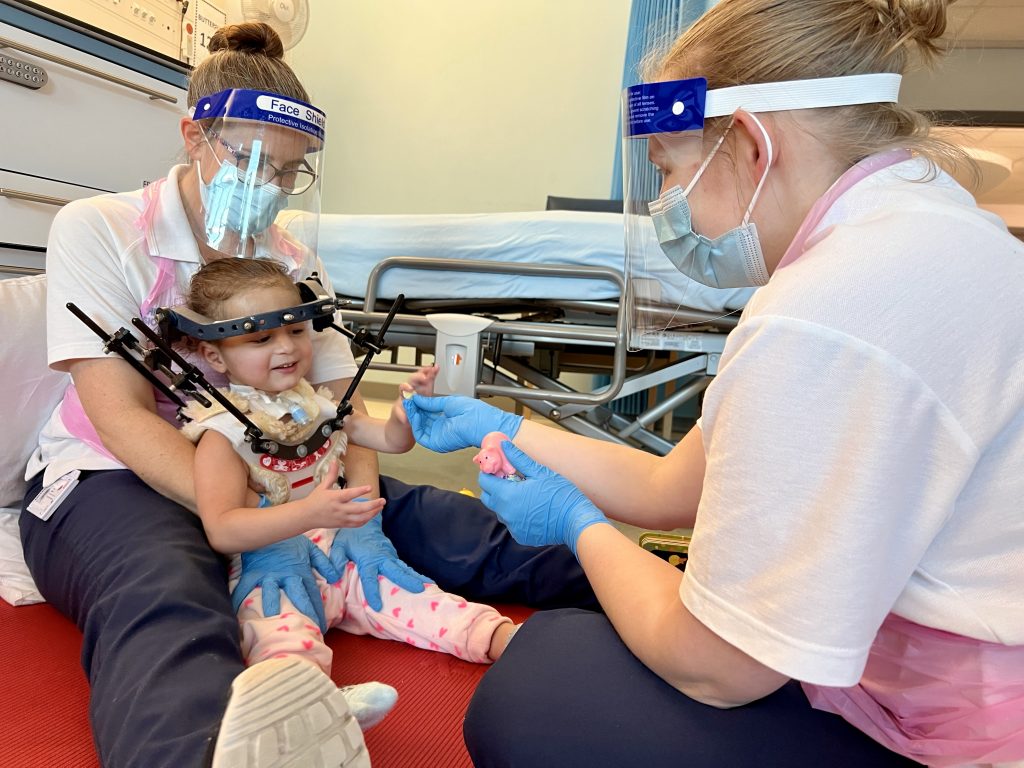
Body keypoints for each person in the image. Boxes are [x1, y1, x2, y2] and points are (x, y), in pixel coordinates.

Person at [404, 1, 1024, 766]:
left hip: (956, 737)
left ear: (754, 145)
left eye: (668, 169)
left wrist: (574, 521)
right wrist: (493, 420)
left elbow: (718, 669)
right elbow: (674, 487)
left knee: (541, 684)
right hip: (928, 672)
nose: (671, 209)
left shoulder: (827, 309)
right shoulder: (937, 232)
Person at [19, 21, 593, 768]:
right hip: (116, 477)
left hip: (290, 470)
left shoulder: (291, 257)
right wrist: (265, 513)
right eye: (251, 160)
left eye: (289, 173)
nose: (271, 187)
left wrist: (358, 515)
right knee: (166, 592)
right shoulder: (101, 229)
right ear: (194, 135)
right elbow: (121, 417)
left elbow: (335, 407)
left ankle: (655, 586)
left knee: (444, 525)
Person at [182, 258, 517, 727]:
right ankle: (311, 709)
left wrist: (405, 415)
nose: (287, 347)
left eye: (296, 330)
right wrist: (308, 514)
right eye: (261, 338)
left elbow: (383, 439)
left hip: (348, 556)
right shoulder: (221, 435)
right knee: (279, 638)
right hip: (275, 574)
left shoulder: (317, 404)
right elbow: (222, 528)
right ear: (215, 356)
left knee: (420, 596)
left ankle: (504, 641)